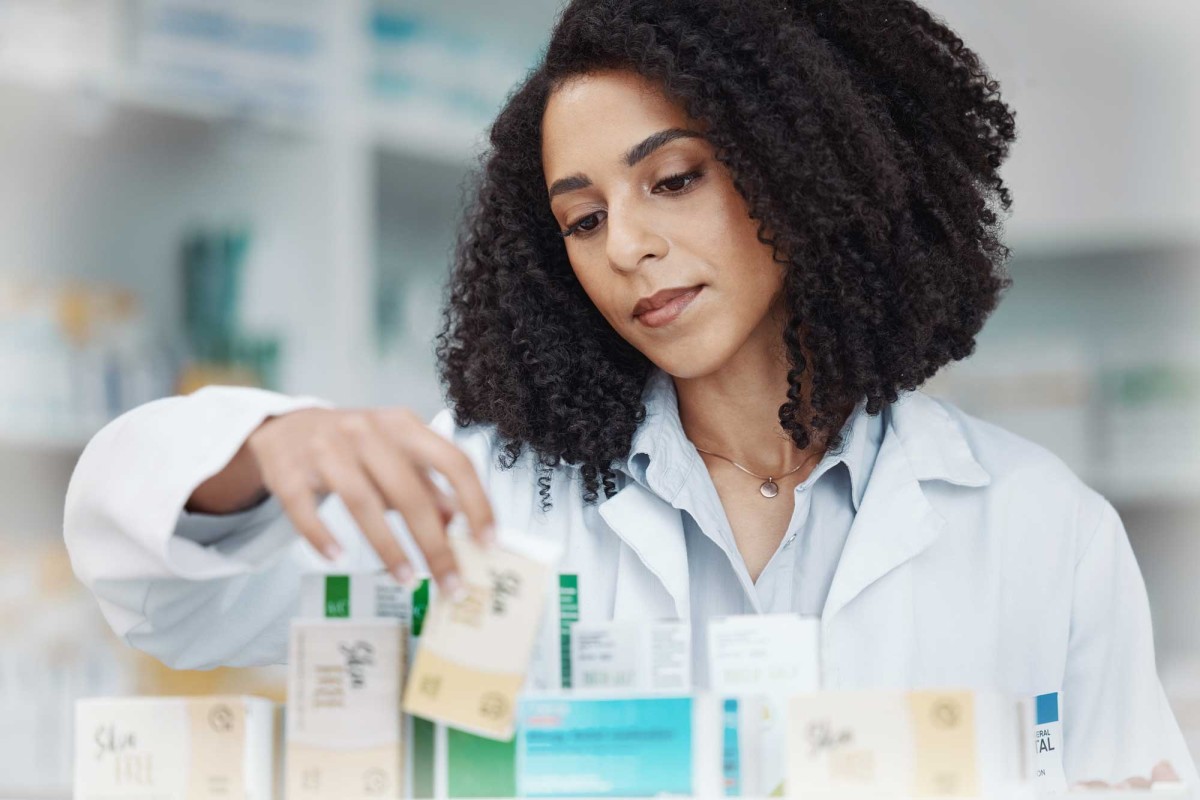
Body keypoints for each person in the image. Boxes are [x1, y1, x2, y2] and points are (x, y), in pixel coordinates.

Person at [63, 0, 1195, 787]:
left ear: (798, 167)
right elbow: (167, 596)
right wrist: (267, 441)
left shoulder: (1040, 529)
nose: (630, 248)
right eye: (585, 217)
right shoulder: (485, 499)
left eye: (674, 179)